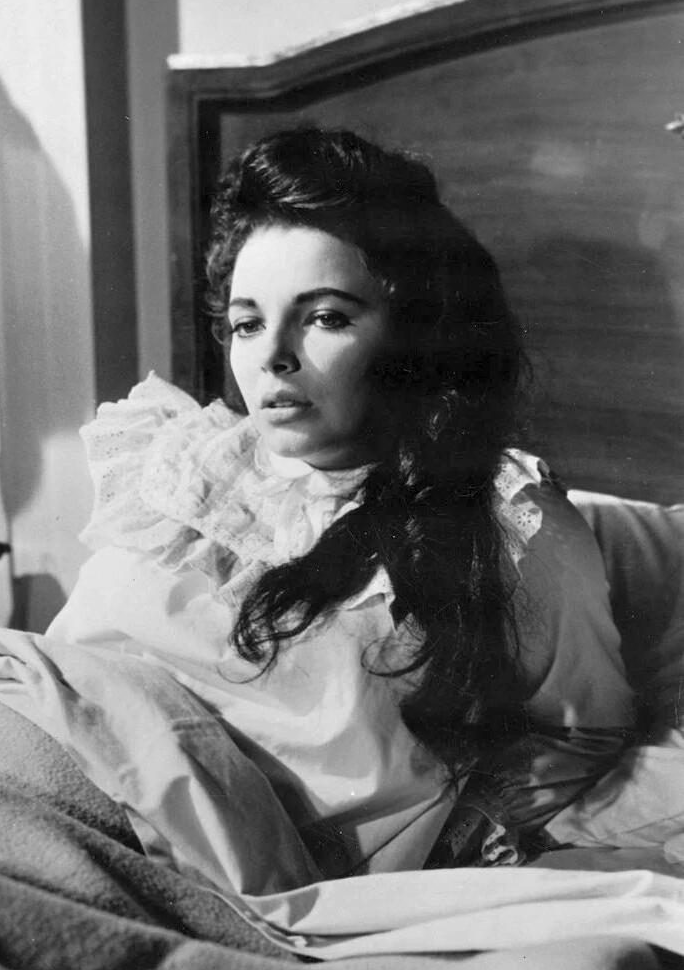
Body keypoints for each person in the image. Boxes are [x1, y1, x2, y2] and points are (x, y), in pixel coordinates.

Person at [46, 125, 635, 879]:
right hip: (23, 749)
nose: (271, 356)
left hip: (170, 858)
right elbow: (59, 664)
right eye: (247, 323)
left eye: (325, 317)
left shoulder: (506, 521)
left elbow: (585, 729)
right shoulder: (181, 464)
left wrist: (460, 840)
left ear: (417, 332)